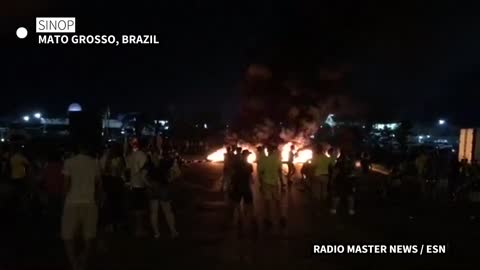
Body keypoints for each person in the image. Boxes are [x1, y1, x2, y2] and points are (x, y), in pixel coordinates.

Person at [61, 143, 102, 270]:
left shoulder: (69, 162)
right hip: (89, 201)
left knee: (67, 235)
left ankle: (74, 263)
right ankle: (83, 259)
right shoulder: (94, 162)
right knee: (89, 234)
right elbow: (98, 184)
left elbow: (66, 185)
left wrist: (64, 197)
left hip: (72, 201)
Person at [147, 150, 179, 239]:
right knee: (167, 211)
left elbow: (144, 175)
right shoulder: (165, 163)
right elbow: (176, 173)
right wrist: (170, 179)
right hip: (163, 187)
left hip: (153, 188)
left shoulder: (149, 163)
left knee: (154, 212)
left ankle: (156, 233)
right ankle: (173, 231)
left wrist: (148, 184)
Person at [100, 143, 126, 233]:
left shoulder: (107, 158)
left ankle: (111, 225)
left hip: (111, 183)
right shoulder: (120, 159)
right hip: (117, 183)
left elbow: (103, 171)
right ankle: (116, 224)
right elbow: (120, 172)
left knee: (111, 204)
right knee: (117, 204)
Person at [126, 140, 149, 237]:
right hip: (140, 184)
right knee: (140, 209)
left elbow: (127, 169)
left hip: (133, 184)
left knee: (135, 208)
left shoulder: (131, 155)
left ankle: (136, 228)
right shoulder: (143, 156)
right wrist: (148, 184)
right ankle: (139, 230)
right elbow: (143, 172)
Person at [258, 145, 285, 230]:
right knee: (277, 200)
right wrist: (282, 182)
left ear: (267, 150)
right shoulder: (277, 159)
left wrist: (261, 184)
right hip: (275, 182)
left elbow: (261, 172)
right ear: (273, 150)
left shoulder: (264, 160)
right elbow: (280, 171)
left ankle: (268, 219)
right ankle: (281, 217)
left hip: (266, 182)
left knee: (267, 201)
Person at [230, 150, 256, 234]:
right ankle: (251, 219)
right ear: (247, 156)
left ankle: (240, 219)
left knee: (237, 204)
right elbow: (251, 178)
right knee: (249, 204)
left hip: (237, 187)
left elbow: (232, 175)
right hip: (246, 188)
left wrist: (231, 184)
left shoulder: (236, 164)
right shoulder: (249, 166)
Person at [41, 150, 65, 234]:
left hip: (50, 191)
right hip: (61, 192)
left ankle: (51, 229)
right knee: (60, 211)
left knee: (52, 211)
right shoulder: (63, 166)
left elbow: (43, 179)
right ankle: (59, 228)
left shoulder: (47, 167)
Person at [330, 150, 356, 215]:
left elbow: (335, 172)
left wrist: (332, 180)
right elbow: (354, 172)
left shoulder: (339, 162)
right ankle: (351, 210)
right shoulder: (351, 162)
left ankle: (334, 209)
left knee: (337, 195)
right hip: (349, 181)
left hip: (339, 180)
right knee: (350, 196)